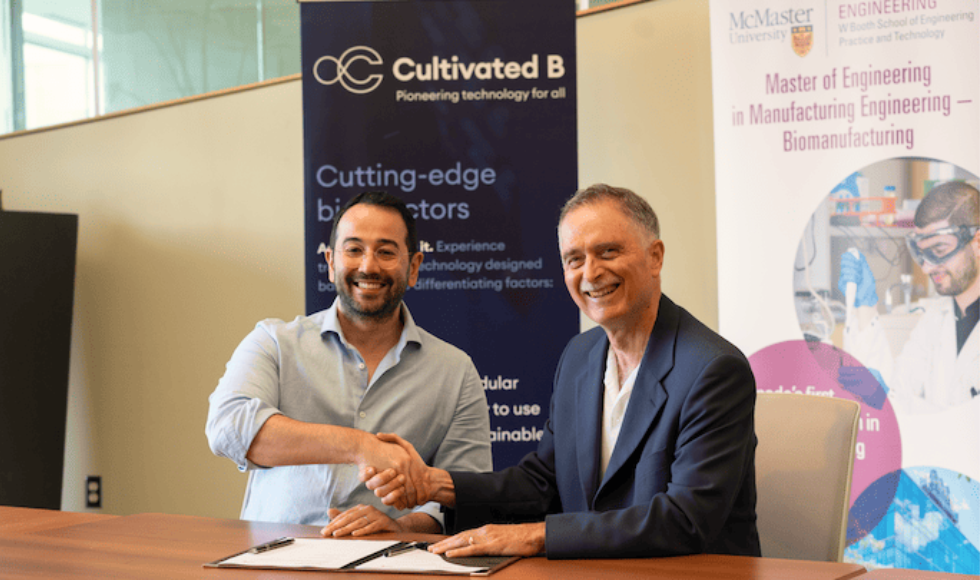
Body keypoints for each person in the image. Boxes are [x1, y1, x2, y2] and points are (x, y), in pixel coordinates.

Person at [359, 184, 761, 559]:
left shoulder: (714, 370)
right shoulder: (579, 356)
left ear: (654, 257)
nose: (590, 273)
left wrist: (536, 536)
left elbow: (685, 520)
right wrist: (434, 484)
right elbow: (542, 482)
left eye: (607, 252)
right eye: (574, 259)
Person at [205, 191, 492, 533]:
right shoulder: (274, 343)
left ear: (413, 268)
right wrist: (360, 446)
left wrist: (400, 528)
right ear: (330, 263)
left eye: (386, 252)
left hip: (392, 565)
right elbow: (228, 427)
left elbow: (466, 494)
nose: (368, 266)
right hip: (275, 560)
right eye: (354, 249)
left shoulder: (456, 371)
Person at [838, 181, 979, 412]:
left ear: (977, 242)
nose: (926, 268)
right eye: (922, 253)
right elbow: (898, 391)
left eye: (940, 250)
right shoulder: (936, 317)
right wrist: (865, 306)